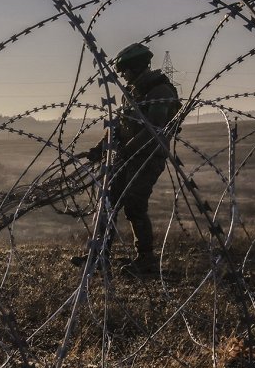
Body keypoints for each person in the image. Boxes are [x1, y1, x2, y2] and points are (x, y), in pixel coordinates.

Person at [74, 42, 180, 274]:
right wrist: (99, 149)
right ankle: (99, 255)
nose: (122, 75)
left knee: (134, 204)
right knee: (108, 202)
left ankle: (146, 261)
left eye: (125, 71)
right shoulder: (131, 93)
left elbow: (154, 128)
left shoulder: (160, 92)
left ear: (137, 67)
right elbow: (118, 128)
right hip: (126, 157)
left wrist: (127, 149)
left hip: (148, 158)